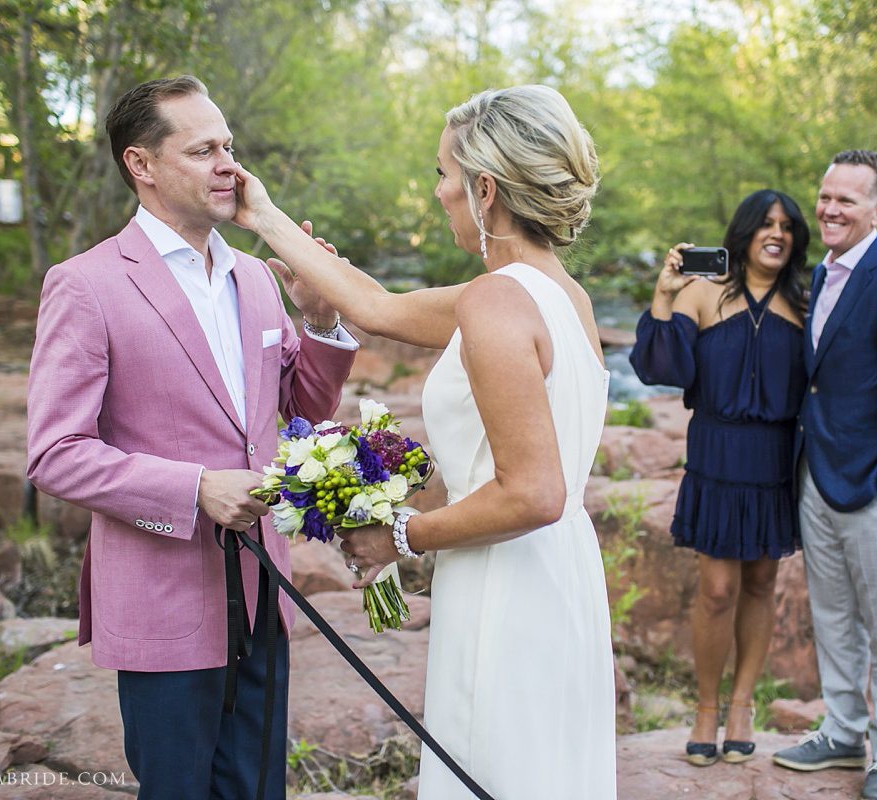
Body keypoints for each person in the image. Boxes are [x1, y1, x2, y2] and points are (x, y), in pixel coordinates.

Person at [231, 84, 616, 800]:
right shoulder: (561, 296)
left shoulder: (498, 300)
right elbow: (373, 307)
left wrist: (399, 535)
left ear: (485, 189)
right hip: (557, 574)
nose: (437, 192)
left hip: (508, 581)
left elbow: (533, 491)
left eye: (443, 173)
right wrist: (264, 216)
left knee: (496, 768)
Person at [26, 75, 357, 800]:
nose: (228, 168)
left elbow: (299, 411)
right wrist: (195, 489)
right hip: (162, 600)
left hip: (263, 589)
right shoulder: (85, 285)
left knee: (258, 789)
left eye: (230, 148)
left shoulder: (258, 278)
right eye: (203, 149)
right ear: (141, 164)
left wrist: (323, 319)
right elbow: (54, 454)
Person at [771, 150, 877, 800]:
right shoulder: (822, 272)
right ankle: (843, 731)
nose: (830, 209)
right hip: (820, 473)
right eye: (826, 196)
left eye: (847, 199)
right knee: (834, 613)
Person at [629, 190, 810, 766]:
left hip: (776, 457)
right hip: (715, 455)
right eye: (765, 225)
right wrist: (663, 295)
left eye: (785, 226)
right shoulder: (703, 293)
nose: (775, 233)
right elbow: (662, 369)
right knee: (717, 590)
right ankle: (705, 708)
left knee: (761, 584)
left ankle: (742, 705)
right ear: (745, 233)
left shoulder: (805, 302)